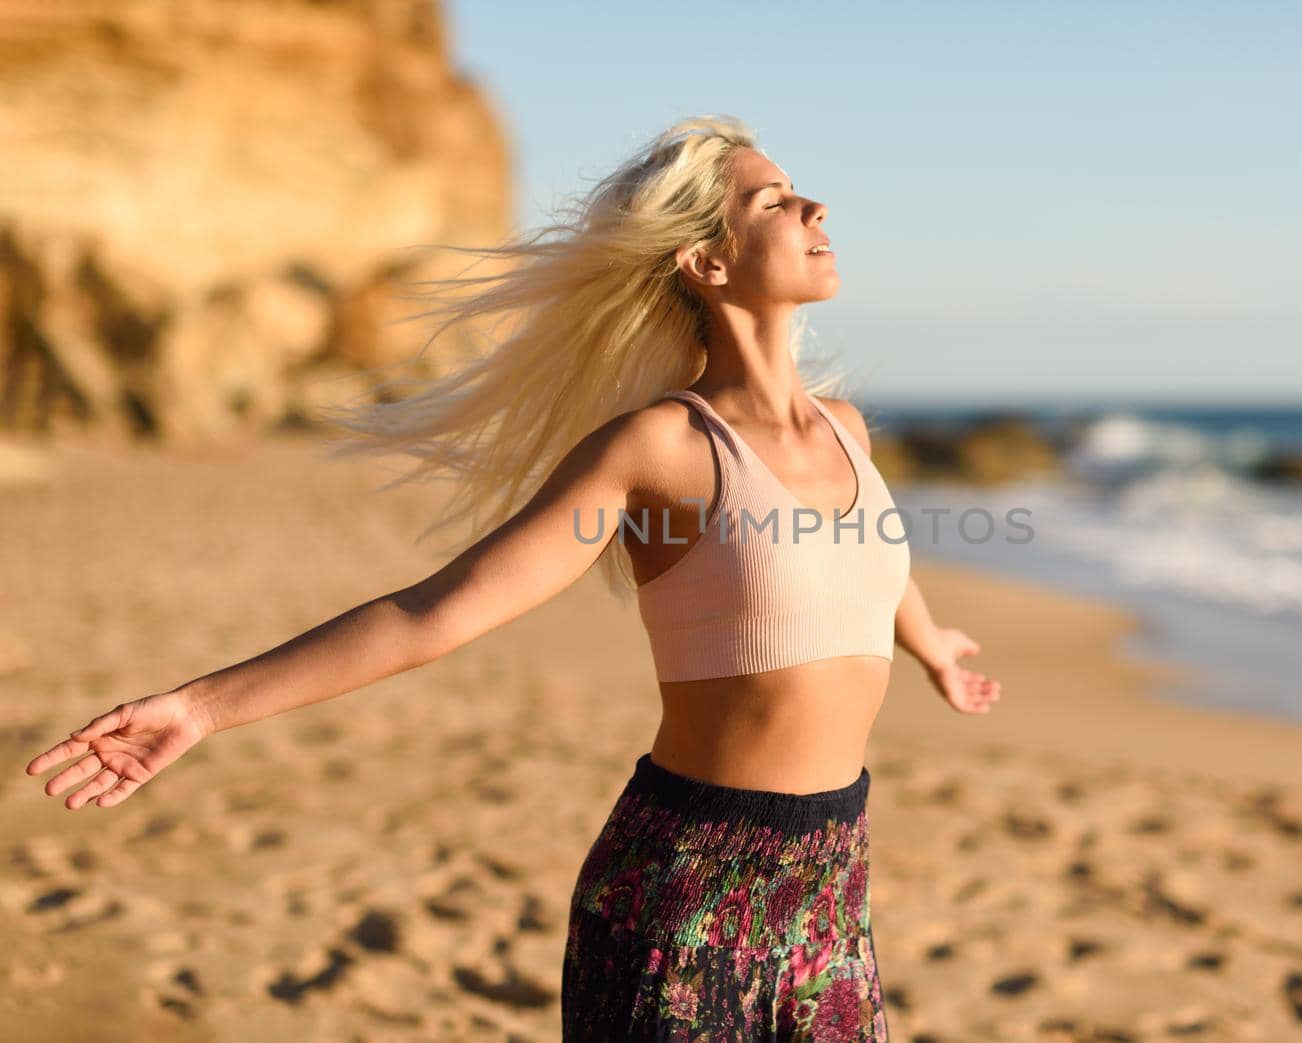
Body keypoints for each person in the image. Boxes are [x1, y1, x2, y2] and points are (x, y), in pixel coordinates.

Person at [23, 114, 1000, 1041]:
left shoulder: (847, 431)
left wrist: (930, 644)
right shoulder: (659, 449)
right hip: (688, 892)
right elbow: (434, 613)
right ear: (705, 261)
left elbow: (853, 559)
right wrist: (200, 706)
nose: (814, 210)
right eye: (774, 200)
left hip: (833, 886)